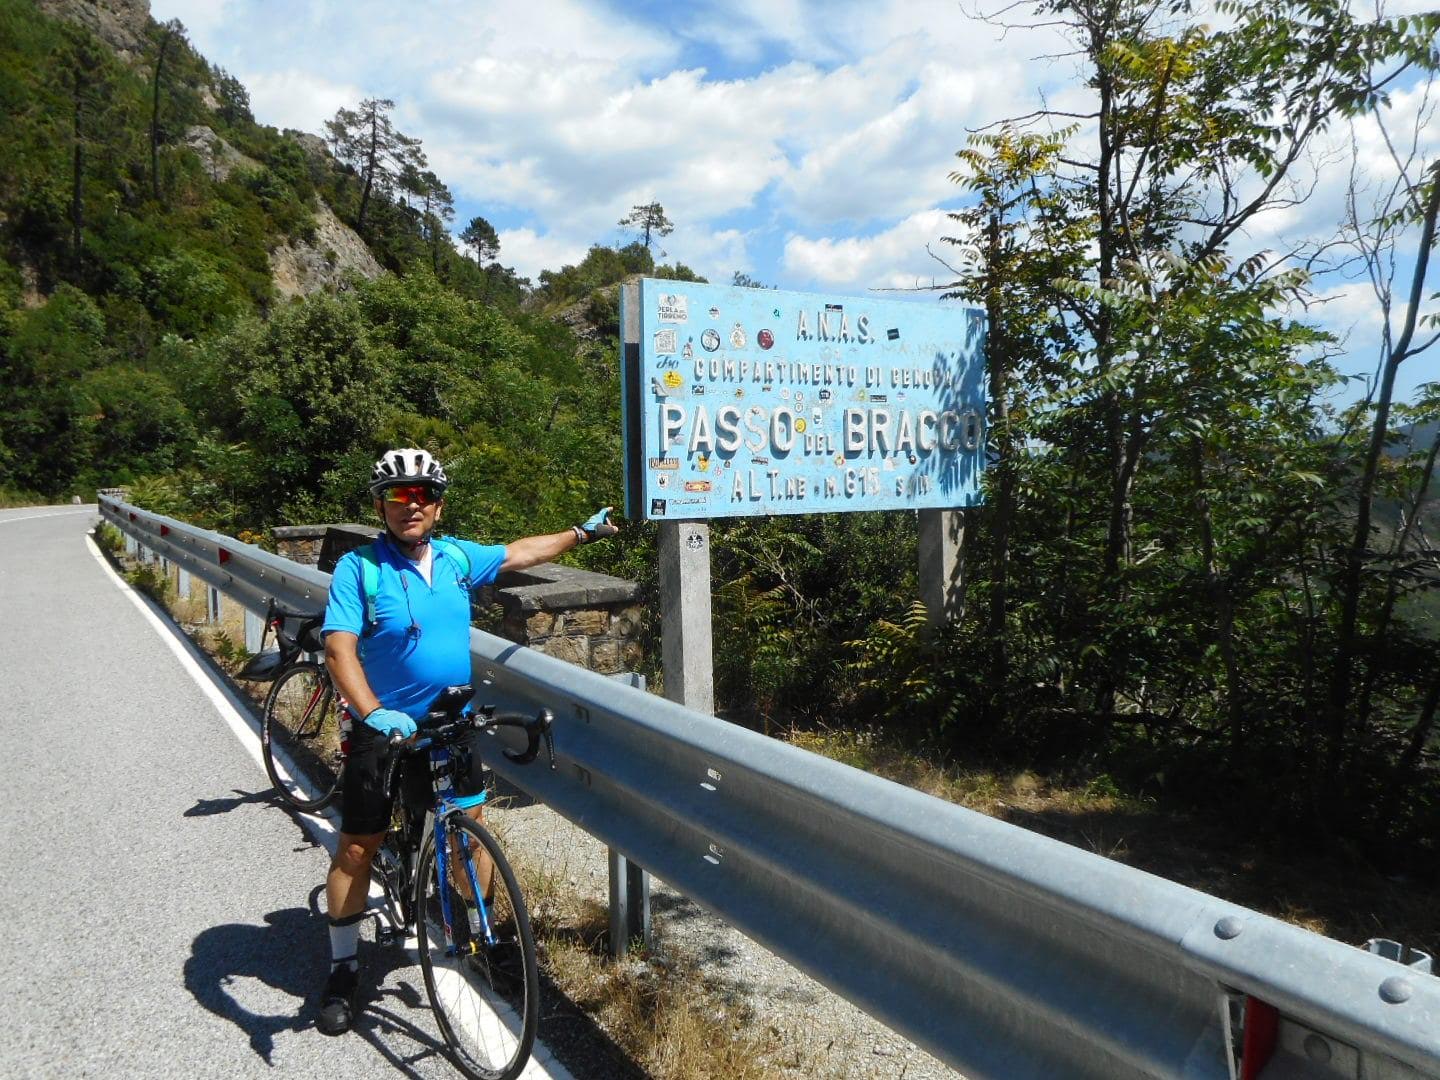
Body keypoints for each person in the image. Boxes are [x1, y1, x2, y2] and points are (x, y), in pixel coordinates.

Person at [316, 447, 618, 1036]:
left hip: (448, 721)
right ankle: (343, 968)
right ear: (381, 505)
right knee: (357, 846)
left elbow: (519, 552)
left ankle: (480, 938)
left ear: (437, 504)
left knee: (468, 833)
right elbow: (339, 650)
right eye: (399, 496)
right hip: (382, 725)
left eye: (422, 495)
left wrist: (580, 534)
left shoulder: (455, 557)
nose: (411, 505)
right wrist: (372, 713)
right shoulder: (360, 569)